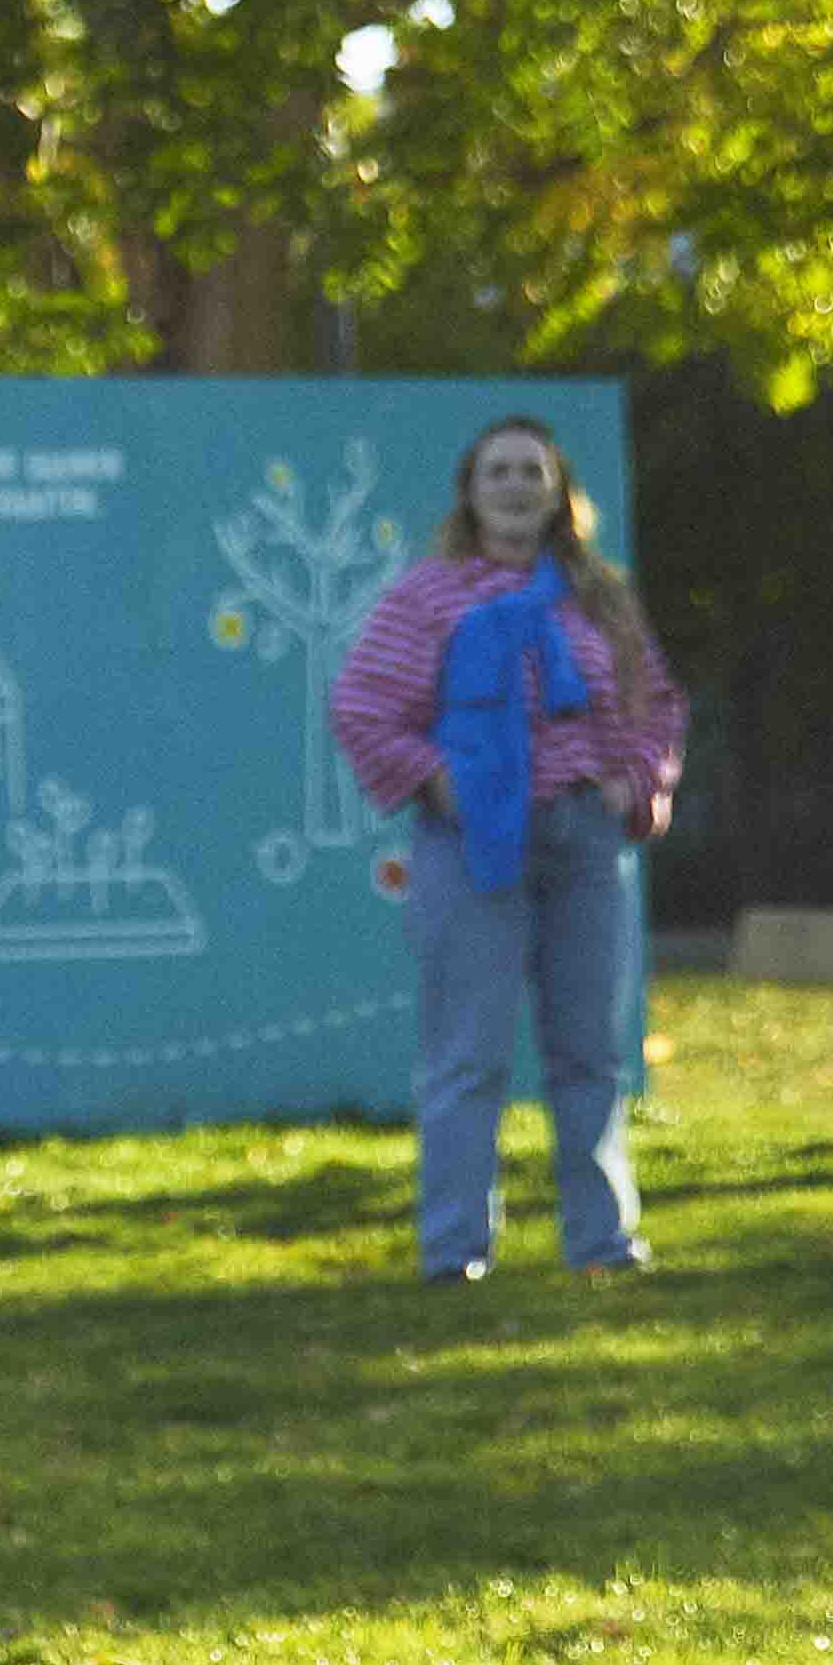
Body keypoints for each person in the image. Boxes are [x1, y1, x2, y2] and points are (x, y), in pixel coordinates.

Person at [326, 412, 686, 1284]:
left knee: (591, 1054)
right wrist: (439, 781)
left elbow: (657, 707)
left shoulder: (598, 595)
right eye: (499, 473)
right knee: (469, 1057)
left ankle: (603, 1243)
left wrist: (632, 786)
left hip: (584, 842)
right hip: (472, 846)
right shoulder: (430, 597)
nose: (518, 487)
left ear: (561, 491)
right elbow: (363, 705)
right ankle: (455, 1252)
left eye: (533, 471)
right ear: (471, 494)